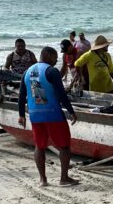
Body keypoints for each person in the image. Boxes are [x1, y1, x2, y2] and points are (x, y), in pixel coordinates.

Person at [18, 47, 79, 186]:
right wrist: (71, 111)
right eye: (55, 56)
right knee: (64, 146)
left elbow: (22, 95)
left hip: (34, 115)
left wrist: (21, 114)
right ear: (48, 55)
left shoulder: (27, 72)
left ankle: (43, 180)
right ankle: (64, 178)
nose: (56, 59)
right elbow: (62, 94)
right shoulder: (51, 71)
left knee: (39, 147)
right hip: (53, 114)